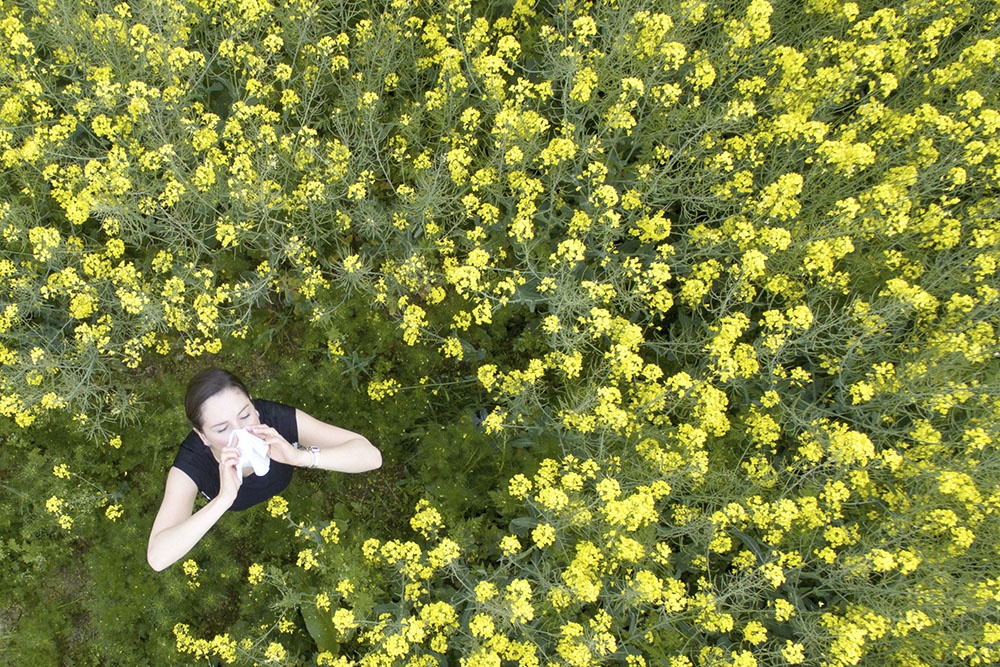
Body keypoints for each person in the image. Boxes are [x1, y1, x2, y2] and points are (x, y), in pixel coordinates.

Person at [147, 368, 382, 571]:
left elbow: (370, 456)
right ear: (202, 436)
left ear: (253, 405)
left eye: (245, 415)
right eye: (221, 429)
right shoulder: (193, 462)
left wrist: (301, 457)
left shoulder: (274, 420)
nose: (242, 432)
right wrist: (223, 499)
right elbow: (158, 557)